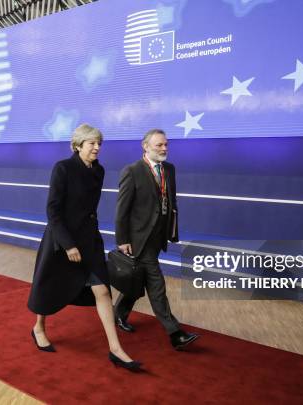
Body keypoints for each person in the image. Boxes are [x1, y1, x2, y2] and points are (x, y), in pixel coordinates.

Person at [27, 124, 141, 371]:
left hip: (90, 240)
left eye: (99, 143)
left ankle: (115, 348)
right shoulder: (63, 168)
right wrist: (67, 245)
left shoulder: (98, 171)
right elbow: (53, 211)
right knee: (49, 285)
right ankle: (39, 327)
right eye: (92, 143)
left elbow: (89, 210)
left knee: (102, 291)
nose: (97, 148)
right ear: (78, 145)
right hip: (62, 239)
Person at [114, 129, 199, 350]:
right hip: (138, 239)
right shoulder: (131, 171)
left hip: (157, 237)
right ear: (145, 146)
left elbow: (171, 203)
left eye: (166, 145)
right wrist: (122, 239)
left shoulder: (169, 169)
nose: (164, 149)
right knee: (156, 284)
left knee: (137, 281)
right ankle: (175, 333)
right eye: (159, 145)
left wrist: (172, 231)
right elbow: (122, 210)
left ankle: (117, 314)